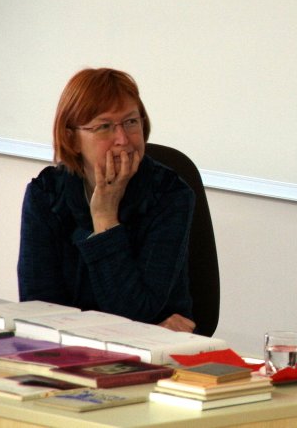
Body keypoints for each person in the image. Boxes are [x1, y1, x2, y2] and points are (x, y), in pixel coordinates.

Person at [17, 68, 196, 332]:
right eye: (104, 127)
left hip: (153, 350)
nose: (123, 139)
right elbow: (39, 310)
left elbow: (136, 312)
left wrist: (104, 219)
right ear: (71, 138)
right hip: (69, 348)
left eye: (131, 122)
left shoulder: (169, 195)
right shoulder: (46, 194)